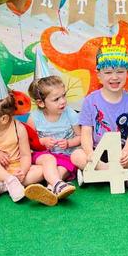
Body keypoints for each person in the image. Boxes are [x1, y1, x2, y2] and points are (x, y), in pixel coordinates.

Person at [71, 40, 128, 190]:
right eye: (108, 72)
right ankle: (121, 174)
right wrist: (90, 153)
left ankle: (94, 175)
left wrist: (127, 151)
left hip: (121, 154)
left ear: (127, 73)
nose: (114, 77)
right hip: (97, 152)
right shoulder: (90, 100)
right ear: (99, 75)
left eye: (120, 71)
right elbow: (86, 133)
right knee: (76, 156)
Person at [23, 75, 78, 206]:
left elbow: (80, 137)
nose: (63, 101)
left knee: (63, 168)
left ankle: (50, 189)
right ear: (41, 103)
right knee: (49, 160)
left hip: (65, 155)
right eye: (56, 99)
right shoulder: (35, 117)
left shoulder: (70, 114)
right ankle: (58, 184)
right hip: (43, 155)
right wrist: (43, 141)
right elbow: (28, 142)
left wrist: (69, 143)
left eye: (64, 96)